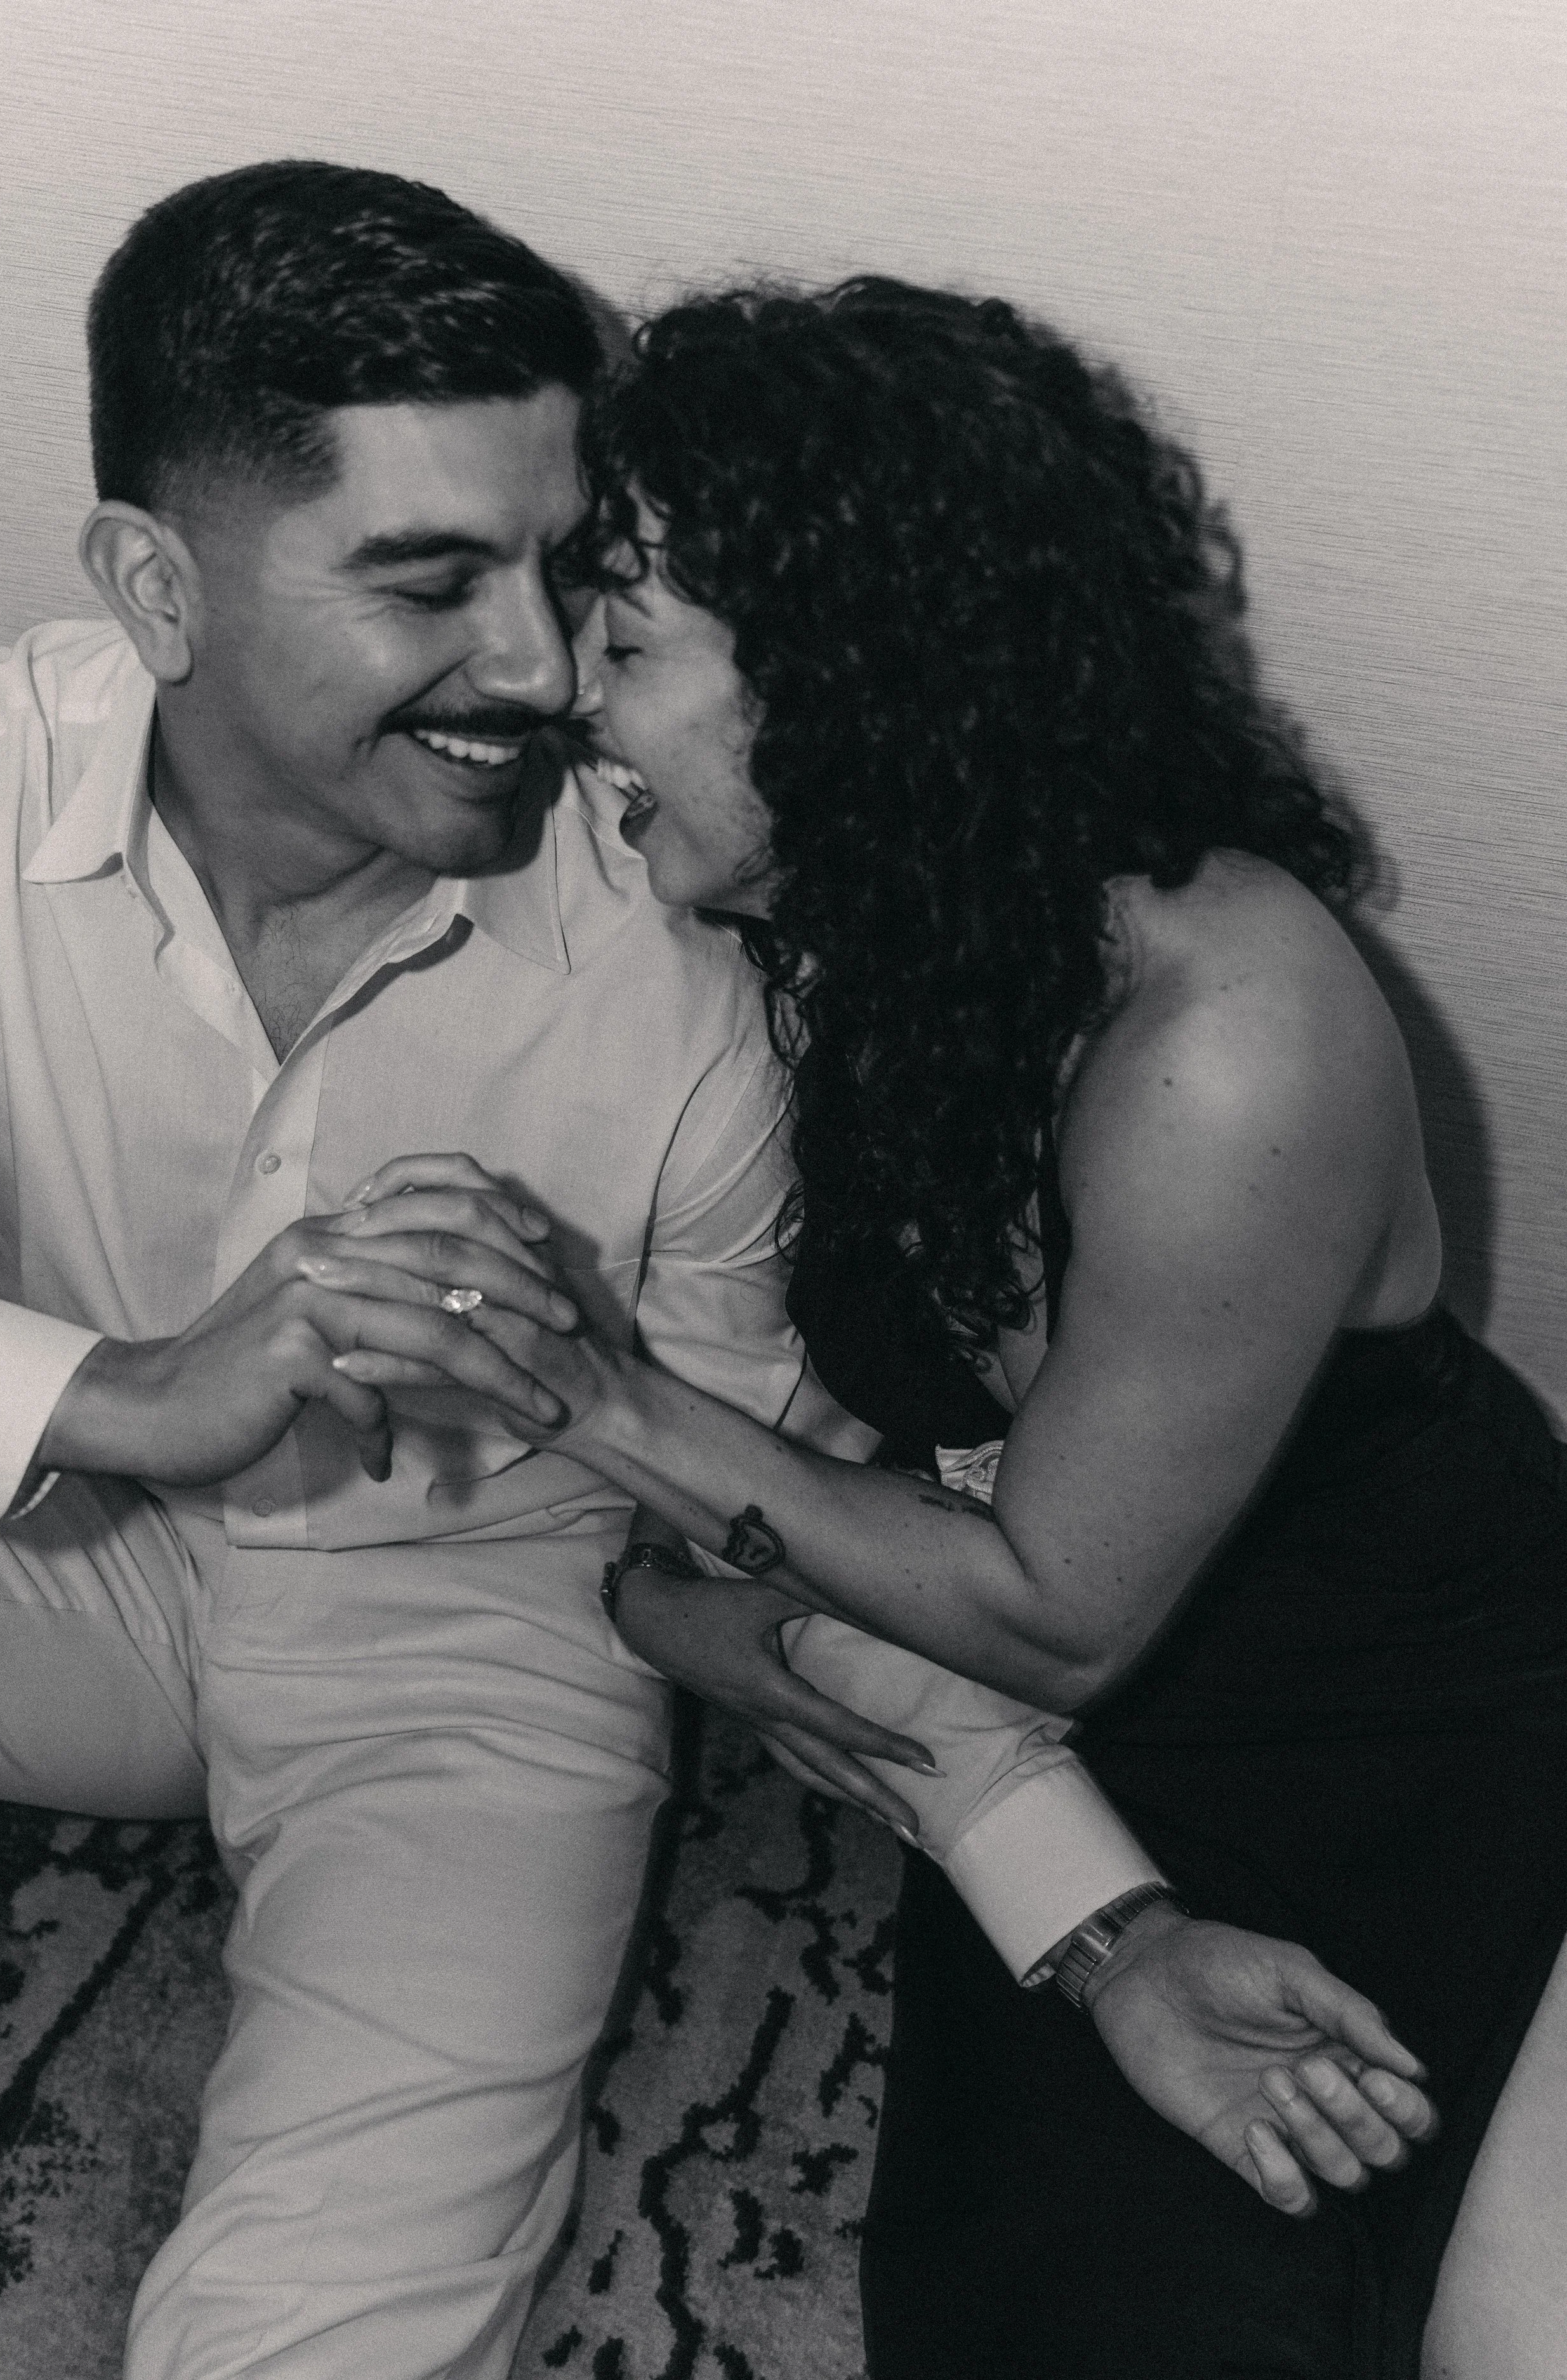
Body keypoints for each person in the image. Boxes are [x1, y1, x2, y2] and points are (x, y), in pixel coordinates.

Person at [0, 171, 1434, 2380]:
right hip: (52, 1565)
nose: (538, 671)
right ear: (155, 585)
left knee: (322, 2325)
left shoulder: (704, 936)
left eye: (570, 576)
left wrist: (1095, 1920)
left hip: (470, 1647)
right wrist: (120, 1397)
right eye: (429, 582)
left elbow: (767, 1496)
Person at [350, 281, 1567, 2376]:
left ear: (851, 672)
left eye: (626, 641)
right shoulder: (874, 924)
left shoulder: (1224, 1039)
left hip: (1403, 1718)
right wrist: (686, 1598)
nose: (561, 697)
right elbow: (870, 1476)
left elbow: (1046, 1609)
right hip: (1085, 1732)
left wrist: (601, 1398)